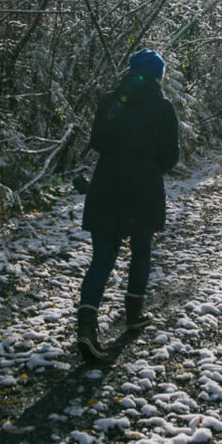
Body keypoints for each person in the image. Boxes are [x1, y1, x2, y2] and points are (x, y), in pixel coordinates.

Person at [77, 48, 180, 362]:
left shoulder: (111, 100)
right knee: (142, 251)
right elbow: (171, 156)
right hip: (143, 189)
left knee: (102, 259)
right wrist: (149, 166)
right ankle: (134, 314)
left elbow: (97, 140)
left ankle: (86, 327)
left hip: (106, 184)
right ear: (158, 76)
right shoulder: (164, 108)